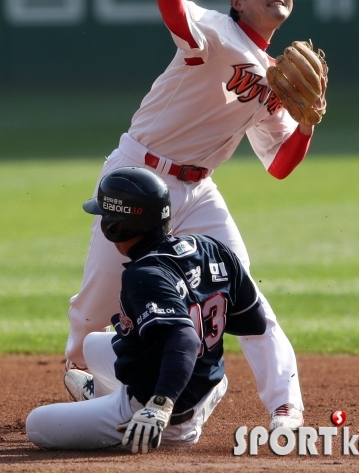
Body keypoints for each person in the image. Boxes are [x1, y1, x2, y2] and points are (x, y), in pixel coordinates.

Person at [65, 0, 315, 430]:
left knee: (242, 288)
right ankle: (81, 367)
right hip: (139, 178)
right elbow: (179, 19)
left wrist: (305, 125)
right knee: (99, 298)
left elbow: (279, 166)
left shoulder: (275, 79)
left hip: (200, 189)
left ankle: (285, 406)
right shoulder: (216, 30)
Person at [27, 167, 266, 453]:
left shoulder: (143, 274)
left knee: (37, 424)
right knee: (92, 343)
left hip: (166, 412)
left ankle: (148, 425)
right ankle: (114, 398)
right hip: (208, 385)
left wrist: (160, 405)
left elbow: (185, 339)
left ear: (114, 226)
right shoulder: (210, 247)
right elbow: (254, 322)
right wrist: (196, 307)